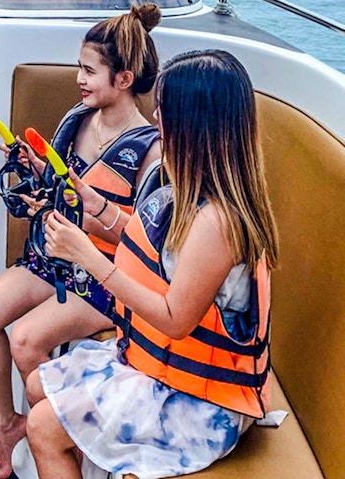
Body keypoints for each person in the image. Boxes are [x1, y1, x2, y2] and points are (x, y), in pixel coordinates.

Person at [28, 49, 279, 478]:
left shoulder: (218, 222)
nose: (156, 117)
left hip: (201, 402)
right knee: (38, 384)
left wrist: (88, 257)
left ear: (192, 124)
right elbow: (145, 241)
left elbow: (175, 320)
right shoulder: (187, 189)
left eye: (164, 109)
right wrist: (91, 201)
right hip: (158, 366)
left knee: (43, 427)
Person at [0, 4, 163, 479]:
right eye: (80, 67)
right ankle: (7, 425)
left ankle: (56, 442)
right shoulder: (79, 119)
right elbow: (60, 186)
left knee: (25, 339)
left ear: (124, 79)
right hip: (56, 261)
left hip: (106, 277)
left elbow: (146, 239)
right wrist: (33, 168)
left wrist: (86, 222)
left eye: (89, 71)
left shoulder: (151, 149)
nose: (79, 79)